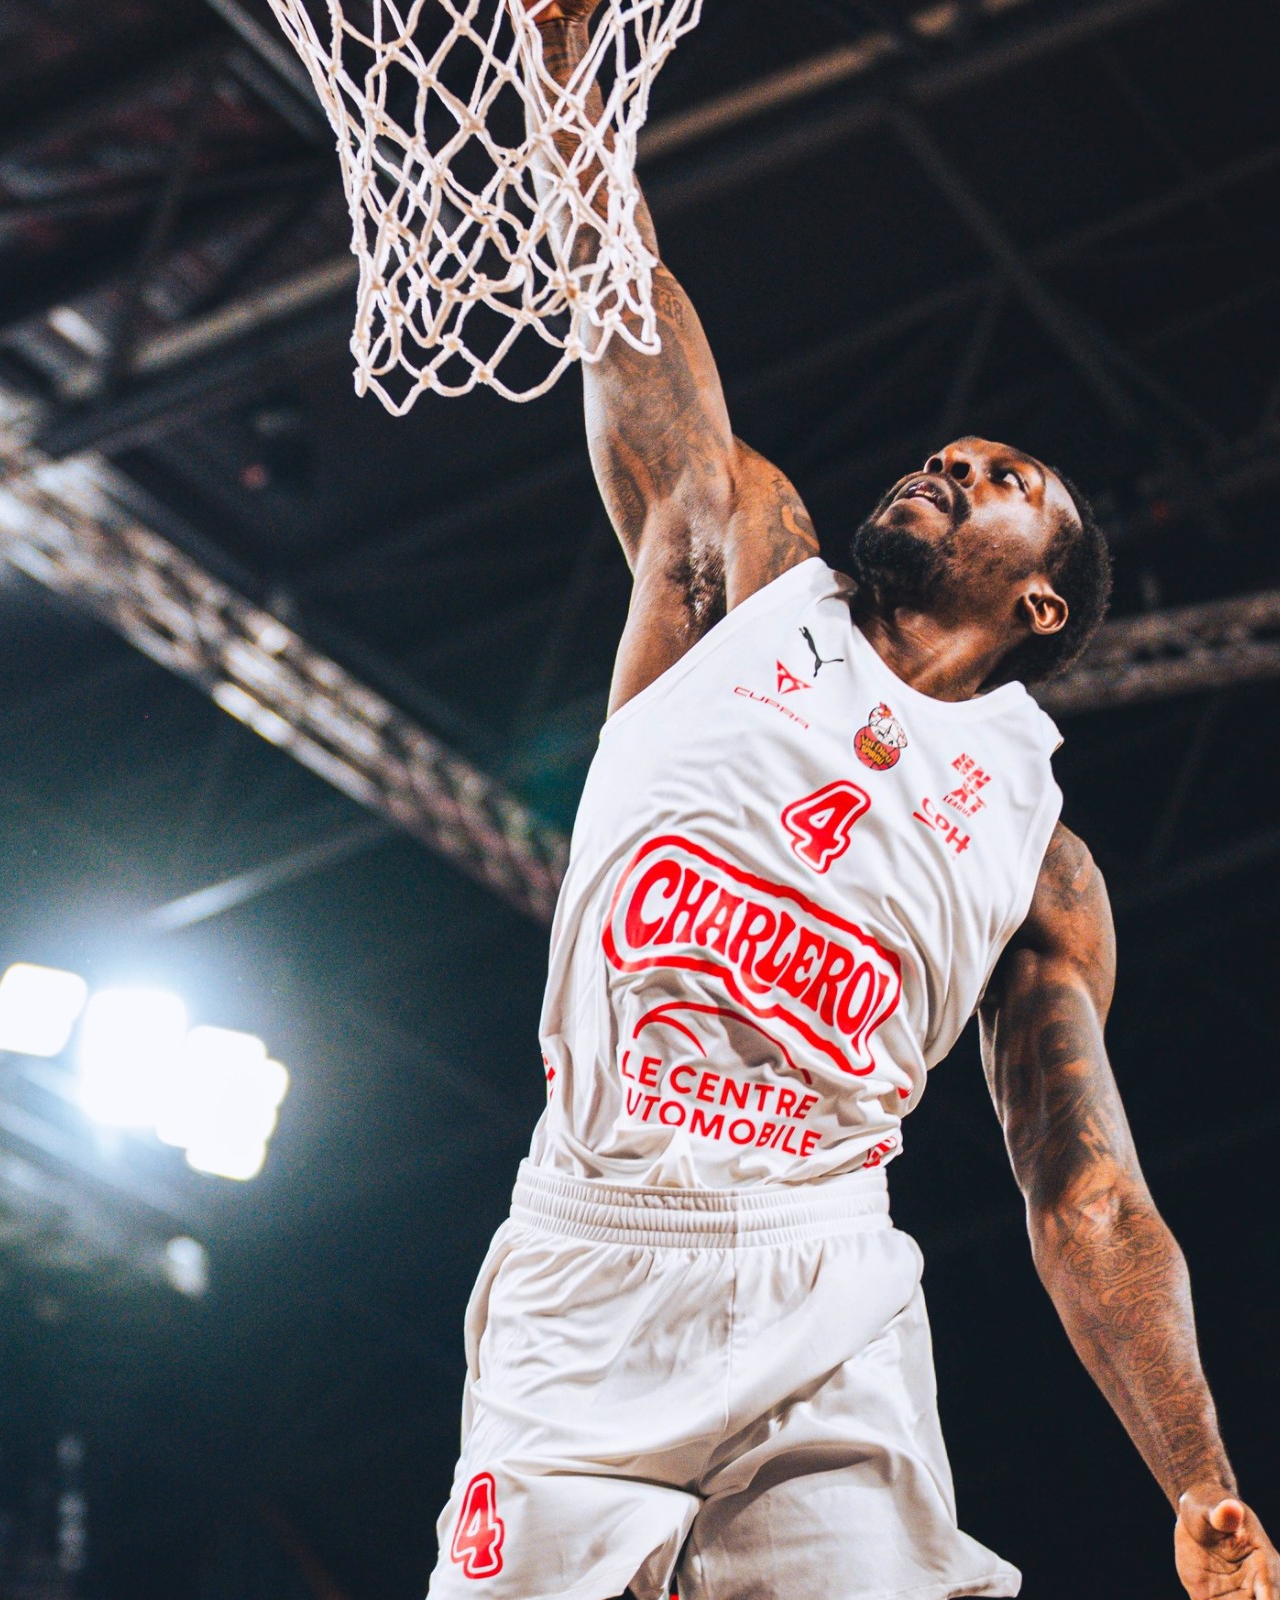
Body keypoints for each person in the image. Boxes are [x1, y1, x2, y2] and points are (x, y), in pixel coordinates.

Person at [428, 4, 1280, 1597]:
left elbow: (1088, 1192)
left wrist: (1200, 1479)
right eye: (950, 454)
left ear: (1043, 603)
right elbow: (628, 311)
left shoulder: (1039, 863)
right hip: (591, 1254)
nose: (951, 465)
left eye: (1004, 479)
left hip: (818, 1281)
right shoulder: (737, 571)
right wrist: (565, 96)